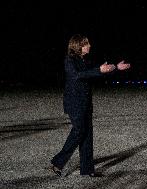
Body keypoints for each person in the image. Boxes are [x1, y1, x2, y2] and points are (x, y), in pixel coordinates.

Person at [50, 34, 130, 177]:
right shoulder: (70, 60)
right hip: (74, 103)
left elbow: (97, 72)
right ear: (78, 46)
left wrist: (116, 68)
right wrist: (99, 70)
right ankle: (58, 161)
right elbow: (78, 75)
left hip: (85, 103)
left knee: (87, 135)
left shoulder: (84, 60)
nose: (89, 46)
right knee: (79, 131)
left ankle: (87, 170)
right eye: (86, 44)